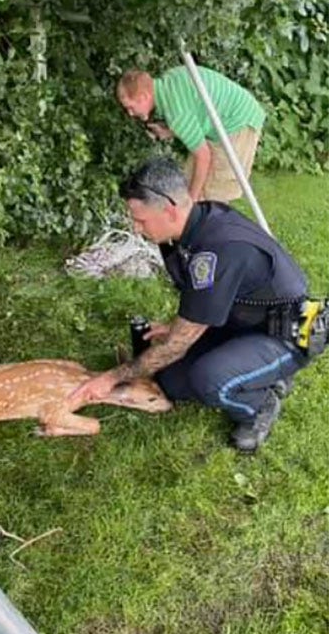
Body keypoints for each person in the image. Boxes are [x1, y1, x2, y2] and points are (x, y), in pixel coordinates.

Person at [68, 157, 310, 452]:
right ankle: (257, 372)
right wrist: (175, 328)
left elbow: (176, 346)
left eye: (140, 220)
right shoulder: (182, 231)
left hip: (286, 334)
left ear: (169, 209)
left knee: (209, 379)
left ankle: (261, 403)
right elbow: (202, 302)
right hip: (239, 321)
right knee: (170, 381)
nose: (135, 229)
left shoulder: (220, 250)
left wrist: (110, 379)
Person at [117, 66, 266, 203]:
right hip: (224, 118)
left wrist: (191, 202)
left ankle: (211, 227)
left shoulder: (176, 114)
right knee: (189, 180)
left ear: (143, 97)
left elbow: (204, 157)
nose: (130, 113)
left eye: (131, 107)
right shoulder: (169, 81)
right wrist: (168, 132)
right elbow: (194, 110)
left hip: (239, 123)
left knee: (213, 191)